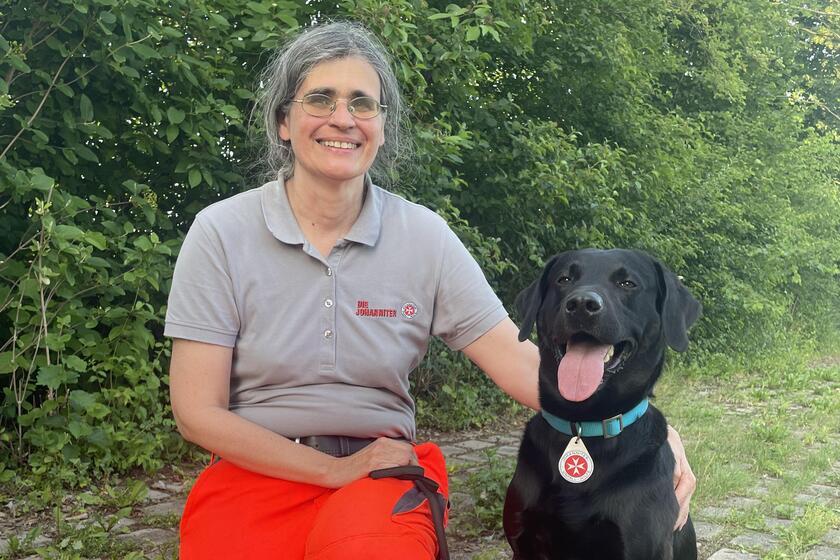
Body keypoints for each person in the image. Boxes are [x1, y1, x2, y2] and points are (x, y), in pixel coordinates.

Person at [165, 21, 696, 560]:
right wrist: (331, 470)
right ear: (284, 120)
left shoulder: (423, 237)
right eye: (320, 98)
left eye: (362, 103)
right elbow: (196, 412)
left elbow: (516, 360)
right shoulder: (221, 232)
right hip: (256, 469)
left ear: (382, 125)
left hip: (380, 471)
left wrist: (645, 431)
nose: (342, 119)